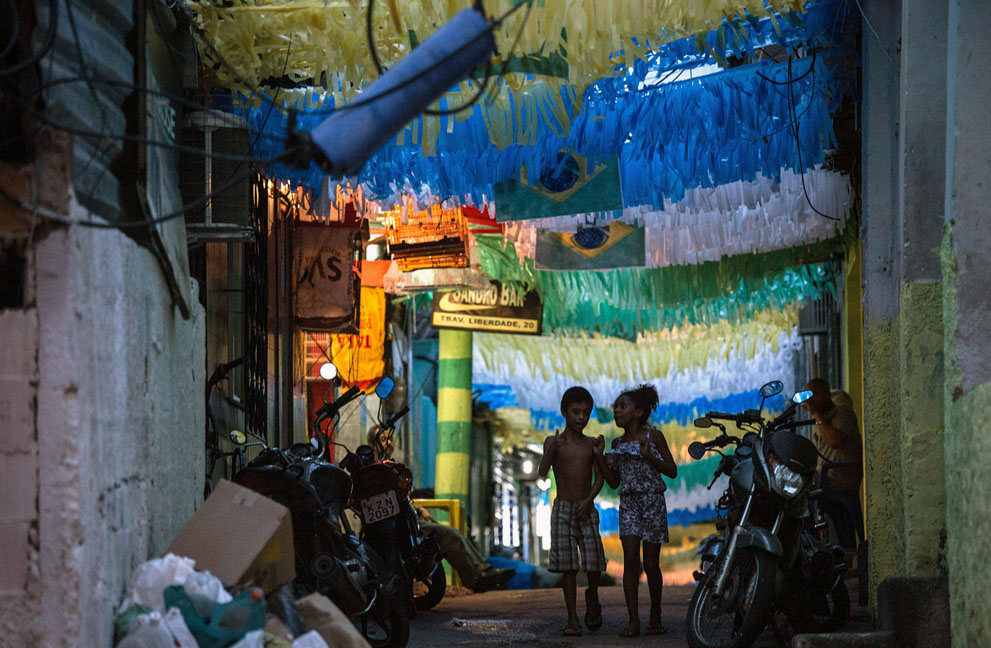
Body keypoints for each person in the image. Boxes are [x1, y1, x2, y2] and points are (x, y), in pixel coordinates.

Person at [366, 429, 515, 592]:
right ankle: (476, 578)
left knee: (455, 534)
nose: (388, 442)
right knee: (451, 535)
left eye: (390, 438)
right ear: (372, 442)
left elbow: (402, 497)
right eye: (383, 439)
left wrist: (419, 509)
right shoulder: (370, 469)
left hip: (408, 518)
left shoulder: (393, 466)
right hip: (396, 524)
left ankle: (483, 570)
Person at [595, 384, 677, 638]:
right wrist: (599, 457)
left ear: (639, 412)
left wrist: (649, 457)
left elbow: (672, 471)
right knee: (631, 562)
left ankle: (655, 615)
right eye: (616, 407)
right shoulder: (617, 442)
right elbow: (613, 482)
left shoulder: (655, 437)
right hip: (628, 503)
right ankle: (633, 621)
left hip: (653, 501)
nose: (616, 411)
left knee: (651, 564)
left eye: (622, 406)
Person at [538, 386, 607, 637]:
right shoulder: (554, 442)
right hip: (563, 509)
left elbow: (599, 479)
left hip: (586, 507)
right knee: (568, 567)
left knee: (594, 563)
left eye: (585, 413)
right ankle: (572, 619)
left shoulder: (592, 445)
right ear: (564, 412)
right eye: (576, 412)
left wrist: (589, 500)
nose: (581, 418)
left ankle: (592, 594)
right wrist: (552, 449)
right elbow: (543, 471)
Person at [802, 378, 863, 494]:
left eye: (815, 396)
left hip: (841, 477)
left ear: (827, 395)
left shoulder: (843, 412)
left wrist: (816, 412)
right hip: (825, 475)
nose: (811, 402)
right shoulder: (820, 419)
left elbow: (834, 441)